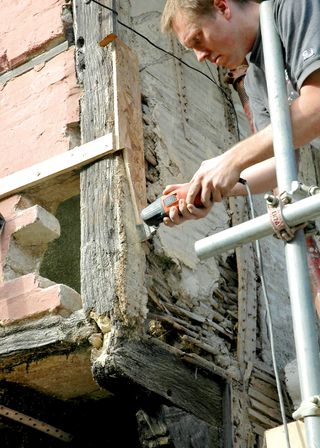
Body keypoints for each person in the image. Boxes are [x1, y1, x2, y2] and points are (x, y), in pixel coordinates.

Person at [160, 0, 320, 226]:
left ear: (222, 7)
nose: (199, 57)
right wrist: (208, 188)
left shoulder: (293, 6)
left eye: (198, 38)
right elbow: (281, 161)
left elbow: (316, 108)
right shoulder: (256, 82)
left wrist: (231, 160)